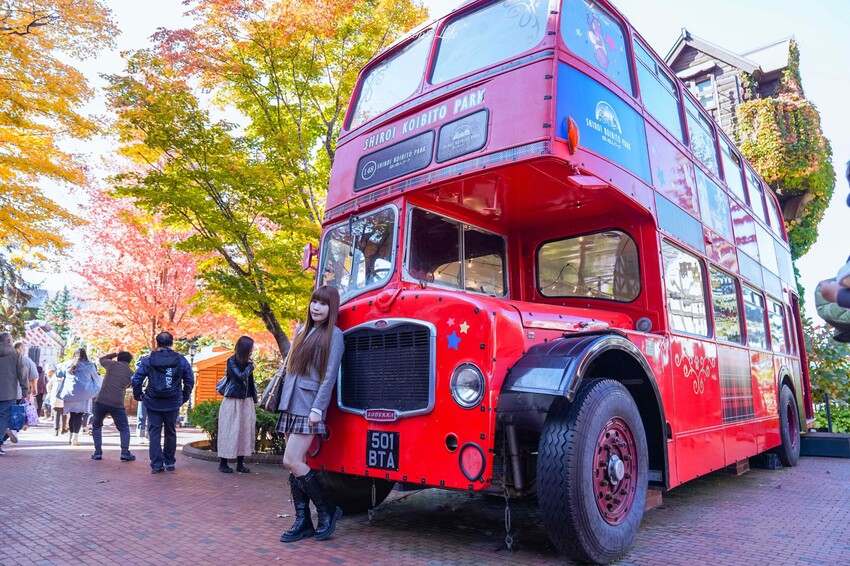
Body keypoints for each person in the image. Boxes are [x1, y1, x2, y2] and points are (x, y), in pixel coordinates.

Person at [278, 285, 344, 543]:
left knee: (291, 461)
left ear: (332, 308)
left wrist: (318, 407)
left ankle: (328, 509)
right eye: (314, 302)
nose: (316, 307)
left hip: (309, 407)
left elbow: (329, 375)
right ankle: (302, 520)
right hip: (290, 402)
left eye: (323, 304)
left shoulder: (334, 335)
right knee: (294, 465)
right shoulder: (300, 331)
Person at [131, 332, 195, 474]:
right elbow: (190, 379)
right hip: (173, 401)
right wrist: (184, 396)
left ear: (157, 343)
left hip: (153, 401)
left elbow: (136, 379)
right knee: (170, 431)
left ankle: (156, 464)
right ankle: (170, 461)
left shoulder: (148, 360)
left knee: (154, 432)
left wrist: (138, 395)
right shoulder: (180, 360)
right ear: (172, 343)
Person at [217, 336, 258, 474]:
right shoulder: (232, 361)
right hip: (232, 400)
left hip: (246, 400)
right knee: (229, 431)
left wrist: (255, 400)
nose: (253, 350)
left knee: (244, 431)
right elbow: (240, 376)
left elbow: (251, 384)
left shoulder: (248, 363)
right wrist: (250, 367)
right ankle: (223, 463)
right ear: (245, 348)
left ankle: (240, 463)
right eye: (251, 348)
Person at [90, 352, 136, 462]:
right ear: (129, 361)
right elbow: (131, 385)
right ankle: (125, 452)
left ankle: (97, 452)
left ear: (118, 358)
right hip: (117, 403)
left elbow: (101, 359)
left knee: (96, 426)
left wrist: (114, 353)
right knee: (124, 428)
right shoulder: (131, 373)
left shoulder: (112, 364)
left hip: (101, 400)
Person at [62, 348, 102, 446]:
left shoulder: (68, 364)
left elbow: (60, 375)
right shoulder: (90, 365)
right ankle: (75, 437)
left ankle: (71, 436)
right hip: (84, 393)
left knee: (72, 415)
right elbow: (96, 378)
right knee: (79, 415)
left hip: (70, 393)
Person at [0, 332, 27, 455]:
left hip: (8, 393)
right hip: (8, 393)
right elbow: (22, 373)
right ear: (9, 341)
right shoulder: (16, 355)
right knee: (3, 418)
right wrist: (25, 390)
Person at [46, 368, 68, 436]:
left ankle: (56, 430)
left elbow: (48, 386)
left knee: (56, 413)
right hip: (64, 397)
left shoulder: (55, 376)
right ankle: (63, 428)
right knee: (64, 414)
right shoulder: (67, 376)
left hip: (55, 397)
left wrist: (50, 393)